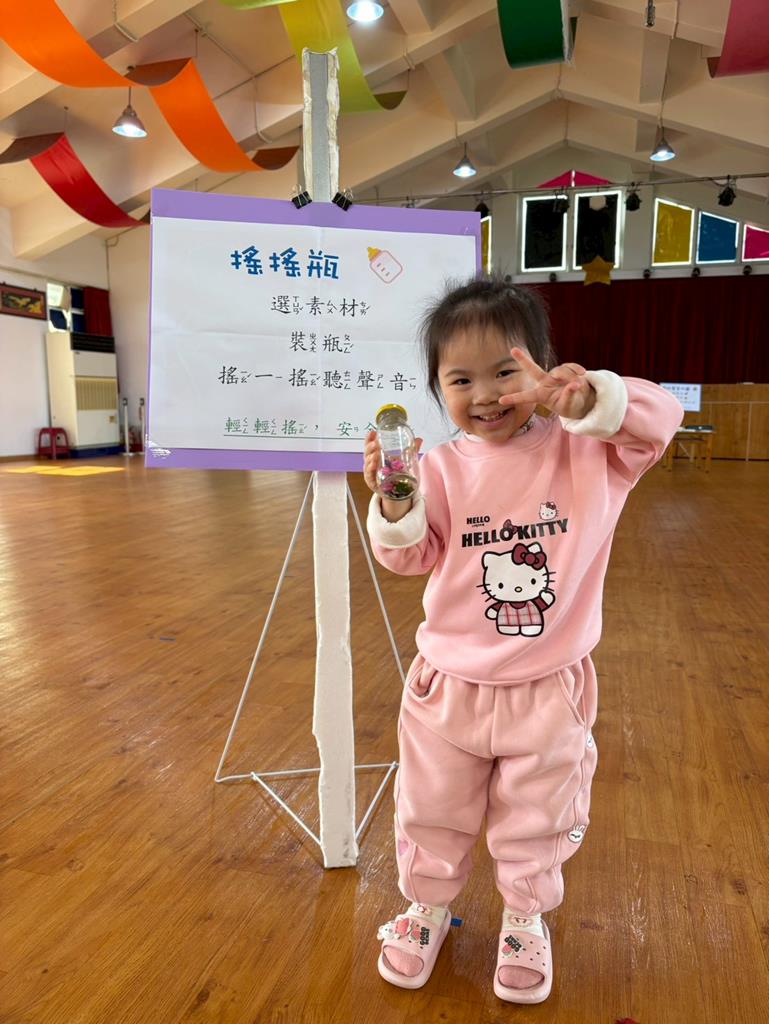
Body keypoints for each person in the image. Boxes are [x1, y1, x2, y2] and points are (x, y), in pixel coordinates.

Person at [362, 276, 683, 1004]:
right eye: (460, 380)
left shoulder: (589, 450)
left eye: (505, 372)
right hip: (448, 685)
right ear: (437, 388)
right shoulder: (438, 467)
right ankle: (426, 907)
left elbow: (659, 418)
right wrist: (394, 503)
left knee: (538, 817)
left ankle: (524, 917)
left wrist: (592, 398)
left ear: (542, 366)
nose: (485, 395)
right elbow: (408, 558)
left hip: (546, 688)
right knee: (430, 807)